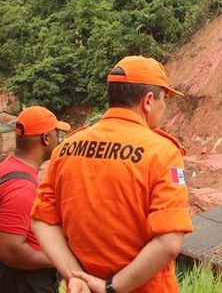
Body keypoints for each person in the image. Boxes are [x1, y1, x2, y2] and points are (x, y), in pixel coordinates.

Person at [31, 55, 194, 293]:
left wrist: (74, 276)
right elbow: (169, 243)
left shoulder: (67, 147)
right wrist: (110, 288)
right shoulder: (163, 152)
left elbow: (42, 220)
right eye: (164, 99)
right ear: (148, 100)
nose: (164, 107)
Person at [0, 106, 71, 293]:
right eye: (57, 134)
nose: (59, 139)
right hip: (21, 281)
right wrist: (55, 259)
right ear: (46, 138)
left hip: (7, 276)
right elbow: (8, 249)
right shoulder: (22, 188)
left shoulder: (6, 167)